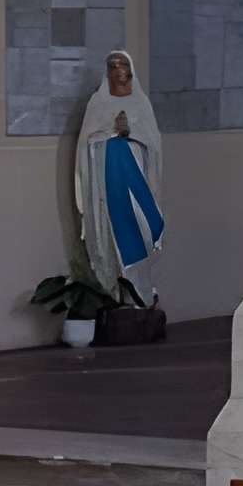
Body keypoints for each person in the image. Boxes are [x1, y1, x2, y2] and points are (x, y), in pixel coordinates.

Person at [72, 52, 166, 308]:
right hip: (108, 177)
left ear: (131, 69)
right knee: (113, 230)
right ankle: (120, 293)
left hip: (135, 173)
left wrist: (131, 132)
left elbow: (154, 143)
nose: (118, 69)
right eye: (112, 65)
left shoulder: (140, 103)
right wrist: (111, 131)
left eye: (122, 64)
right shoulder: (97, 103)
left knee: (146, 226)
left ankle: (141, 290)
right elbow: (85, 143)